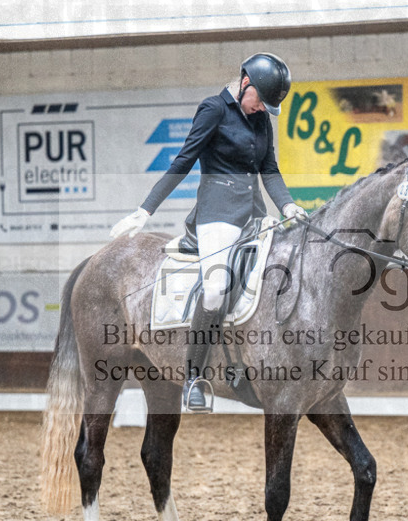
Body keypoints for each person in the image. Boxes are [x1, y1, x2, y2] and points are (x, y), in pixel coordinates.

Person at [109, 52, 307, 410]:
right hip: (217, 215)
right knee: (216, 289)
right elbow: (183, 160)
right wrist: (145, 210)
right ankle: (192, 378)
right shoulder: (214, 109)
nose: (263, 109)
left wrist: (288, 205)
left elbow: (270, 170)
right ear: (245, 83)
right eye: (260, 100)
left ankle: (245, 362)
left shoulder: (262, 119)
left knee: (276, 276)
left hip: (254, 215)